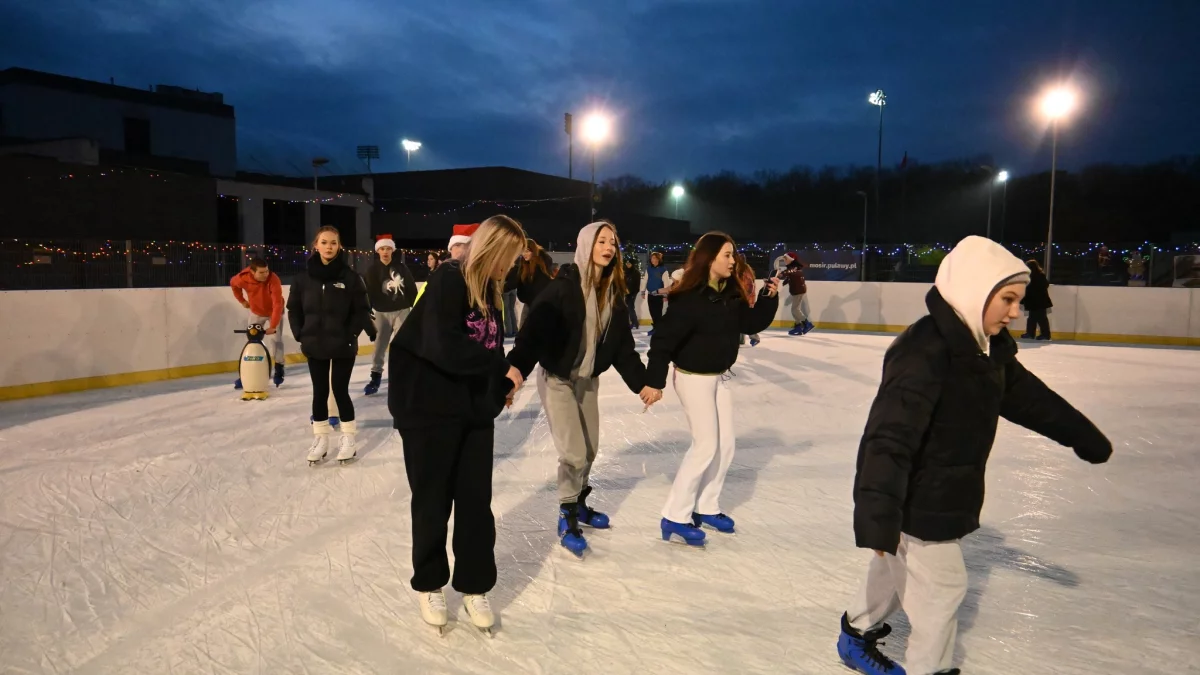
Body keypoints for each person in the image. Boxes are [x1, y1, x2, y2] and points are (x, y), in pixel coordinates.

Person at [836, 236, 1111, 675]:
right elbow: (888, 439)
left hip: (947, 491)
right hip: (917, 498)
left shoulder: (986, 349)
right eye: (1007, 299)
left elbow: (1030, 399)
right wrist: (878, 515)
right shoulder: (925, 352)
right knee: (943, 587)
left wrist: (1082, 434)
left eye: (1019, 301)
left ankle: (855, 634)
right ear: (974, 290)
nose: (1016, 312)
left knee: (894, 568)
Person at [387, 214, 527, 636]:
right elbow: (444, 346)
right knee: (432, 501)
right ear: (492, 249)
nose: (512, 266)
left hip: (469, 410)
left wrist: (493, 391)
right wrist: (503, 371)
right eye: (509, 257)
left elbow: (485, 344)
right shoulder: (450, 279)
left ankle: (474, 586)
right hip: (427, 409)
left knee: (474, 502)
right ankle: (430, 583)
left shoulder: (491, 290)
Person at [507, 221, 660, 558]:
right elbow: (533, 334)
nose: (608, 247)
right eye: (601, 241)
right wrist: (515, 369)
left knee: (590, 450)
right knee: (573, 452)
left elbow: (622, 349)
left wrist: (643, 384)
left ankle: (579, 504)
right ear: (586, 245)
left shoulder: (613, 295)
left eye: (612, 243)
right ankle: (567, 514)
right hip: (558, 379)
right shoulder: (563, 287)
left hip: (588, 380)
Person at [645, 232, 780, 546]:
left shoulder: (729, 293)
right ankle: (675, 515)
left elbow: (749, 323)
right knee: (705, 445)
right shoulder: (688, 298)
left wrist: (769, 297)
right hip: (693, 377)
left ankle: (706, 505)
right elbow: (662, 341)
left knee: (726, 445)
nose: (733, 262)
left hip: (719, 376)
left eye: (733, 255)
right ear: (709, 258)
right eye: (727, 255)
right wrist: (654, 381)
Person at [287, 226, 375, 466]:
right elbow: (294, 309)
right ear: (316, 245)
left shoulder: (350, 277)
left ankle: (348, 438)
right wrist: (300, 335)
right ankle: (321, 438)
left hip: (343, 344)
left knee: (340, 389)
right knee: (320, 392)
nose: (329, 247)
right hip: (314, 343)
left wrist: (352, 334)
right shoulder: (303, 279)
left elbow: (361, 310)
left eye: (333, 243)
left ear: (339, 246)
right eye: (324, 242)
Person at [363, 237, 417, 395]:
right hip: (381, 312)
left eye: (388, 249)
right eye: (382, 249)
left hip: (402, 310)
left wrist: (415, 307)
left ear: (392, 250)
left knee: (403, 344)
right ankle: (375, 377)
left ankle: (404, 376)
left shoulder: (402, 268)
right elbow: (368, 292)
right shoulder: (372, 270)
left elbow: (411, 288)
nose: (385, 252)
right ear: (377, 251)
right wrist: (368, 310)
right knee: (380, 345)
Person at [230, 257, 286, 387]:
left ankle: (279, 369)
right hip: (257, 312)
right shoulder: (243, 278)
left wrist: (273, 326)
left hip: (274, 312)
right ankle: (246, 374)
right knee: (251, 340)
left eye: (266, 271)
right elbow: (233, 284)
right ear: (252, 272)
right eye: (261, 272)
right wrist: (242, 300)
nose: (265, 274)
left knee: (276, 339)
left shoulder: (273, 279)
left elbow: (277, 304)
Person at [504, 238, 554, 329]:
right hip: (529, 303)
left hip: (542, 304)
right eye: (522, 252)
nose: (524, 254)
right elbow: (514, 281)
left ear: (533, 251)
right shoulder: (523, 265)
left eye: (527, 251)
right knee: (523, 329)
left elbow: (545, 284)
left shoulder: (542, 264)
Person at [776, 251, 812, 335]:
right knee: (795, 310)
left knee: (795, 310)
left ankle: (807, 324)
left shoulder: (794, 267)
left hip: (799, 291)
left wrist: (782, 274)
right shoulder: (791, 266)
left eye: (786, 258)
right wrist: (785, 280)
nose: (784, 260)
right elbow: (789, 274)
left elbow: (790, 272)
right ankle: (798, 327)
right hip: (796, 290)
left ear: (790, 259)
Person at [1021, 259, 1052, 341]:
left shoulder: (1032, 277)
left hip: (1036, 302)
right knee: (1034, 318)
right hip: (1039, 301)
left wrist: (1023, 299)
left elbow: (1028, 289)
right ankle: (1032, 333)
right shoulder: (1040, 276)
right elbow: (1045, 285)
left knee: (1040, 318)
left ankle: (1042, 334)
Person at [736, 253, 761, 347]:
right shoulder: (746, 270)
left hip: (745, 300)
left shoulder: (743, 272)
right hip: (746, 299)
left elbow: (748, 287)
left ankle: (754, 337)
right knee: (741, 319)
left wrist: (742, 296)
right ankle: (741, 340)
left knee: (741, 319)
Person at [644, 250, 669, 335]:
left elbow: (666, 283)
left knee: (657, 313)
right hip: (650, 295)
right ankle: (655, 327)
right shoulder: (649, 269)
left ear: (658, 259)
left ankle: (658, 329)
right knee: (652, 312)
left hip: (659, 295)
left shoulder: (663, 270)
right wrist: (643, 291)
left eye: (655, 258)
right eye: (652, 258)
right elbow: (645, 280)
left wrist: (665, 295)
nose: (653, 260)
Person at [624, 254, 642, 329]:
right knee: (629, 308)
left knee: (630, 308)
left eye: (629, 263)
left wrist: (632, 293)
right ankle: (634, 322)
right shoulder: (626, 272)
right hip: (627, 293)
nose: (628, 265)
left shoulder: (636, 273)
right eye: (627, 263)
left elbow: (636, 284)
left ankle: (635, 323)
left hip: (632, 293)